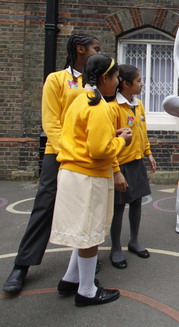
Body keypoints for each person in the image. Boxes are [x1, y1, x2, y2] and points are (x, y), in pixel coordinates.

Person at [3, 33, 101, 294]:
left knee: (88, 210)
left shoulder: (98, 84)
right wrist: (67, 153)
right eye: (95, 48)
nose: (99, 52)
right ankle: (21, 266)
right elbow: (51, 123)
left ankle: (83, 265)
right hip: (58, 154)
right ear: (80, 49)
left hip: (89, 157)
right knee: (44, 206)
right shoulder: (57, 79)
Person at [49, 54, 132, 306]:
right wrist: (122, 140)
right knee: (90, 235)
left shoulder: (78, 100)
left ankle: (71, 278)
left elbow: (83, 137)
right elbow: (99, 150)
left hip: (72, 173)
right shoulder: (100, 107)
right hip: (89, 177)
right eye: (116, 77)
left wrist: (110, 135)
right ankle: (86, 291)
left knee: (82, 232)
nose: (118, 82)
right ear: (105, 77)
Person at [108, 64, 157, 269]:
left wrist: (149, 153)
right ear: (126, 84)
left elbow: (141, 132)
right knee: (118, 208)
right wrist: (116, 170)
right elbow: (109, 140)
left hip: (137, 162)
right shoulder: (113, 108)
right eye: (138, 81)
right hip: (120, 165)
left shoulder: (138, 105)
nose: (142, 83)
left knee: (136, 202)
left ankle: (134, 241)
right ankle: (116, 248)